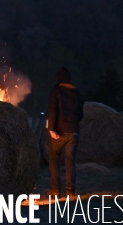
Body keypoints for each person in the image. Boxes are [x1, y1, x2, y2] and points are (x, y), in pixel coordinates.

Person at [46, 66, 84, 198]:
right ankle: (70, 190)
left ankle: (56, 190)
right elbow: (80, 115)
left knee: (54, 159)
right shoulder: (77, 93)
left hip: (59, 132)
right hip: (73, 132)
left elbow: (52, 110)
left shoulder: (56, 91)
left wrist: (51, 129)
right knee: (70, 161)